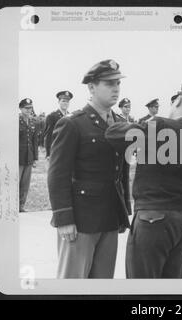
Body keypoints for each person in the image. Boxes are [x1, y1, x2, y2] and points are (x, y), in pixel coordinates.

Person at [105, 82, 182, 278]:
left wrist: (143, 126)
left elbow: (113, 134)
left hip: (153, 220)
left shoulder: (160, 126)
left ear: (178, 102)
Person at [47, 59, 131, 279]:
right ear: (92, 87)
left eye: (118, 84)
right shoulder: (73, 123)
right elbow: (57, 174)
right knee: (72, 284)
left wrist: (123, 212)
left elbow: (121, 171)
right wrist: (63, 219)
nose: (116, 89)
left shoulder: (120, 123)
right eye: (109, 83)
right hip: (81, 220)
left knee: (102, 284)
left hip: (110, 217)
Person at [19, 98, 38, 212]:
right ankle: (13, 205)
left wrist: (35, 158)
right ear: (21, 108)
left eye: (30, 108)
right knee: (17, 182)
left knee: (25, 183)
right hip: (18, 157)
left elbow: (35, 141)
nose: (28, 110)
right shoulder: (16, 120)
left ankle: (21, 206)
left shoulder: (33, 122)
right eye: (26, 108)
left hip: (29, 157)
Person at [43, 91, 73, 159]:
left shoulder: (70, 116)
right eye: (63, 101)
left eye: (67, 102)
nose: (65, 103)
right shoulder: (52, 116)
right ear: (59, 102)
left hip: (68, 151)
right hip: (56, 151)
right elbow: (48, 136)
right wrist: (48, 153)